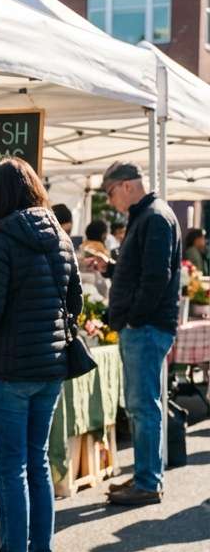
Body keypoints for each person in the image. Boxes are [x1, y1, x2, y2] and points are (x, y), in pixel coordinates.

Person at [0, 159, 82, 552]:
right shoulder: (60, 236)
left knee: (11, 466)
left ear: (0, 198)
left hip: (8, 368)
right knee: (37, 463)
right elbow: (76, 299)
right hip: (50, 367)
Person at [89, 162, 181, 506]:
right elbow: (144, 270)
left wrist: (132, 318)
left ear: (126, 186)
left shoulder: (154, 217)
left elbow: (156, 277)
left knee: (143, 406)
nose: (110, 201)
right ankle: (145, 475)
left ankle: (147, 481)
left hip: (145, 327)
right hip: (145, 325)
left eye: (111, 192)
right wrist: (111, 268)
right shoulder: (151, 215)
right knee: (143, 406)